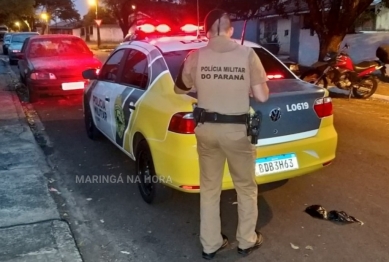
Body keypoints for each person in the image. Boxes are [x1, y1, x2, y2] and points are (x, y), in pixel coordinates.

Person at [174, 9, 270, 260]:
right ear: (231, 30)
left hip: (206, 131)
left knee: (209, 189)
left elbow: (179, 88)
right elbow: (261, 96)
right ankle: (246, 241)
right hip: (237, 132)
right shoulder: (247, 54)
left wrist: (202, 83)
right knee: (246, 187)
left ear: (205, 31)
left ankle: (210, 245)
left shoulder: (195, 55)